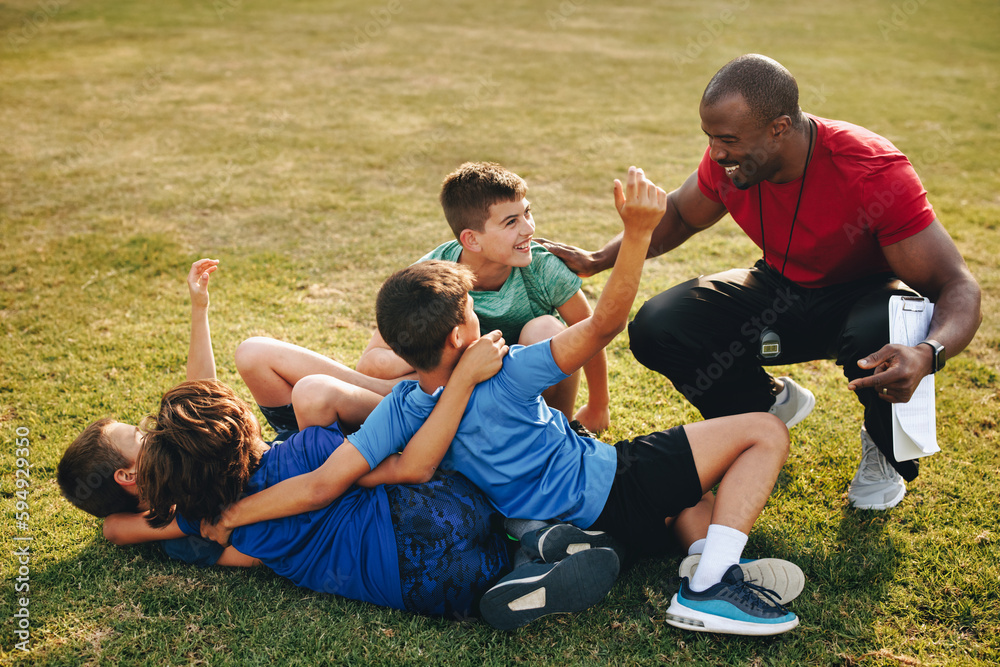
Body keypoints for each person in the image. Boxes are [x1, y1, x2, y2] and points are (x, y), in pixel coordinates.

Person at [200, 167, 805, 636]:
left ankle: (693, 550)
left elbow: (349, 480)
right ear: (463, 334)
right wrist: (639, 234)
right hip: (613, 482)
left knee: (692, 502)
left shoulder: (403, 412)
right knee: (761, 433)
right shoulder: (508, 375)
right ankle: (711, 584)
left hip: (579, 514)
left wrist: (233, 516)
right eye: (472, 312)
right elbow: (601, 328)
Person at [59, 259, 618, 626]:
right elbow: (391, 473)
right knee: (436, 485)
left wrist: (235, 525)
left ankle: (519, 562)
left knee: (415, 508)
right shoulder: (306, 451)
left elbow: (230, 553)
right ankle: (527, 537)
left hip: (438, 588)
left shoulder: (195, 523)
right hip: (445, 511)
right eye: (140, 436)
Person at [539, 54, 982, 511]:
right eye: (710, 138)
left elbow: (957, 285)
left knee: (882, 329)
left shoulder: (871, 170)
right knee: (659, 324)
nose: (716, 154)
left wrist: (928, 353)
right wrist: (597, 259)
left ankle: (884, 449)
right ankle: (762, 408)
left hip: (864, 296)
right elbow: (678, 215)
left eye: (727, 140)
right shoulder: (731, 164)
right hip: (781, 287)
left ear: (779, 127)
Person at [356, 161, 611, 435]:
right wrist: (453, 359)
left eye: (527, 213)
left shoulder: (544, 268)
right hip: (463, 389)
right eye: (511, 222)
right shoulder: (431, 277)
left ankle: (552, 432)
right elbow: (371, 363)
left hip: (528, 391)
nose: (528, 229)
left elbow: (590, 333)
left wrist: (598, 406)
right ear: (472, 240)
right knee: (395, 367)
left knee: (545, 329)